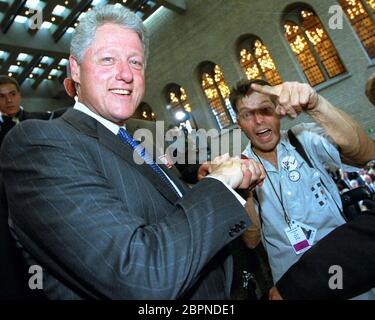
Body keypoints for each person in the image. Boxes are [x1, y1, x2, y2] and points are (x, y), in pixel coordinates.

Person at [0, 5, 266, 299]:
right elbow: (141, 275)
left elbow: (166, 215)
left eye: (136, 62)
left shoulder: (136, 139)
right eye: (108, 59)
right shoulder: (40, 143)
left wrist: (204, 184)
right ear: (75, 69)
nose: (126, 74)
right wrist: (220, 184)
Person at [228, 78, 375, 299]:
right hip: (292, 286)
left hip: (345, 270)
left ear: (278, 111)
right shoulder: (240, 168)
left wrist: (316, 105)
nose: (258, 120)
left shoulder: (305, 138)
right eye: (247, 114)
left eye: (265, 109)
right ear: (239, 123)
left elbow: (367, 153)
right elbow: (251, 240)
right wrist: (244, 194)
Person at [0, 76, 56, 146]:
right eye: (1, 96)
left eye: (13, 94)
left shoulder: (43, 119)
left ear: (19, 95)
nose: (9, 100)